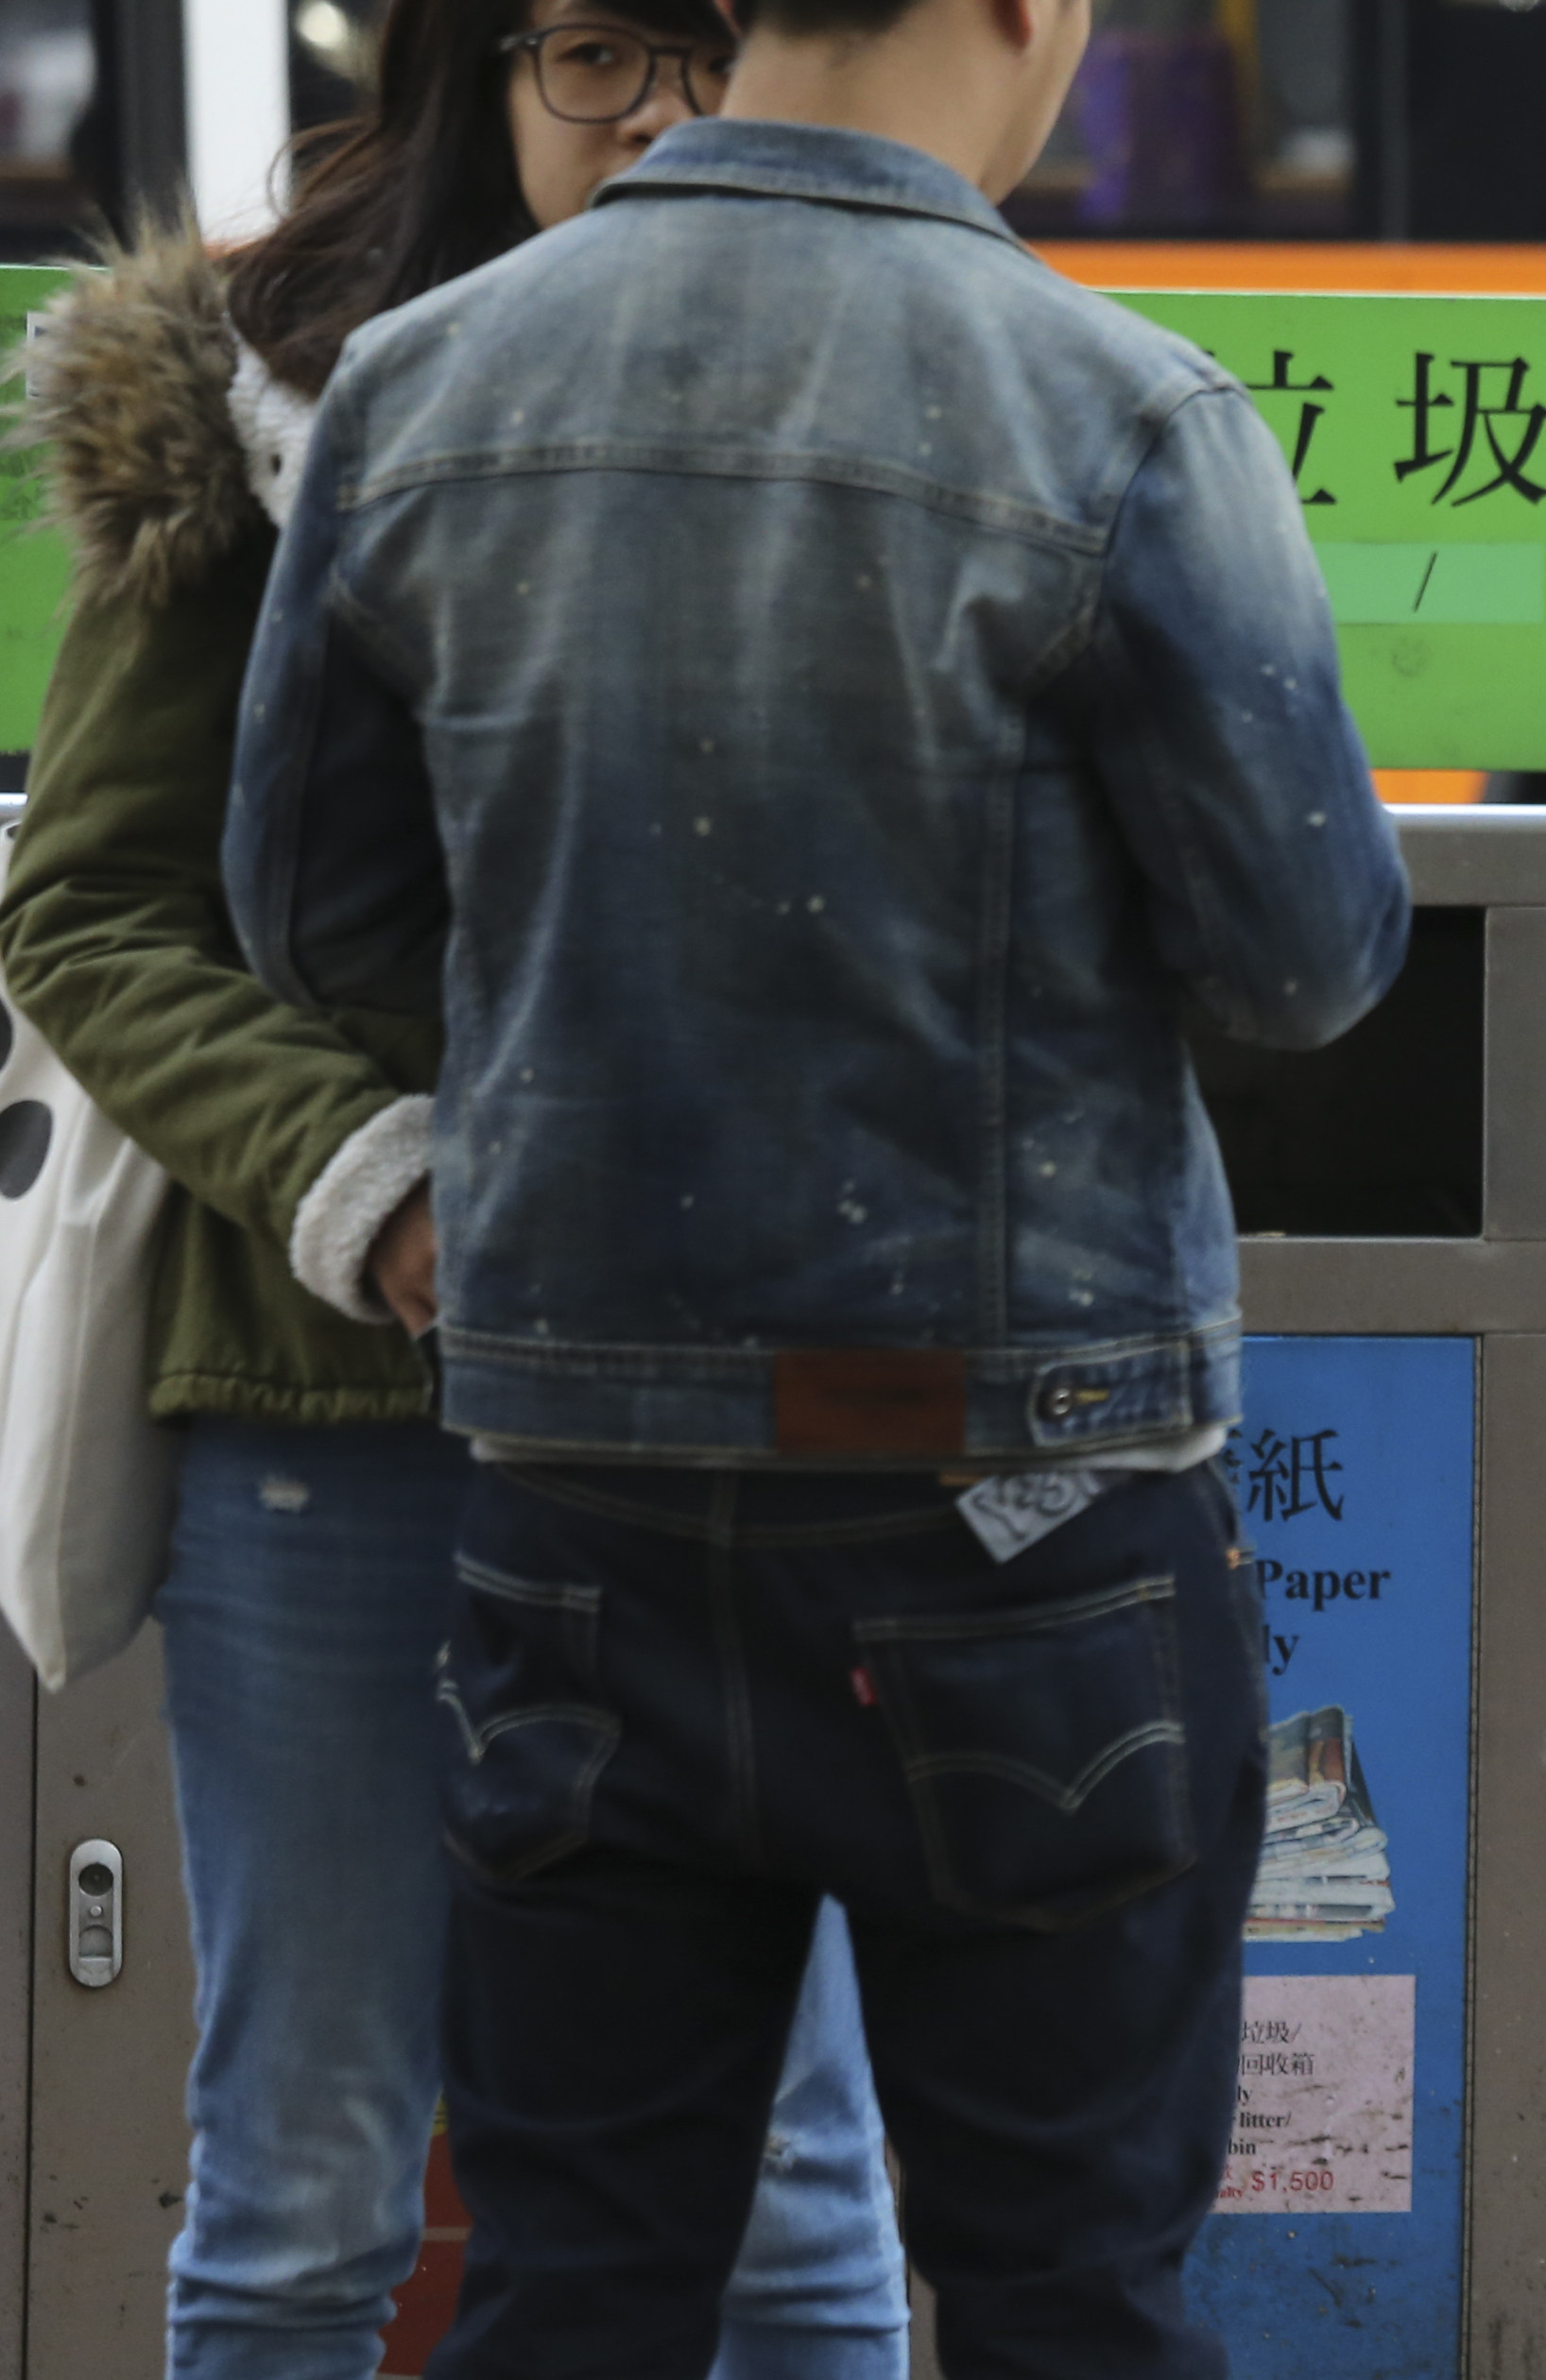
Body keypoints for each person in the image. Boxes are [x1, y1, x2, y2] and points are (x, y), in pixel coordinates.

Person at [217, 0, 1413, 2361]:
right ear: (1019, 13)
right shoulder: (1115, 410)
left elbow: (308, 919)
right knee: (1067, 2296)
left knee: (571, 2291)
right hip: (1024, 1519)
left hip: (577, 1497)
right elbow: (1304, 963)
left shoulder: (425, 387)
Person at [0, 9, 917, 2377]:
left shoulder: (884, 371)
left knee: (798, 2183)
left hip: (726, 1418)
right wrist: (375, 1189)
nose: (662, 126)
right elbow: (91, 909)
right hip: (335, 1406)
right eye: (600, 54)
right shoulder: (261, 395)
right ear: (469, 74)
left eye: (724, 54)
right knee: (308, 2179)